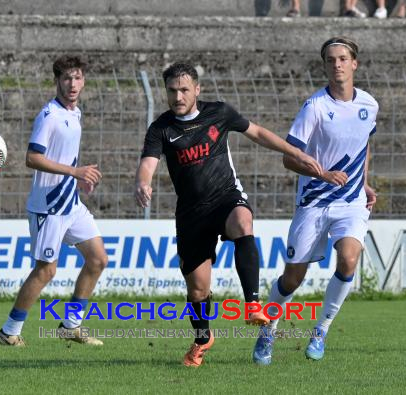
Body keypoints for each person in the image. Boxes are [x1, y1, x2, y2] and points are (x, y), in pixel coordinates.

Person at [134, 62, 323, 367]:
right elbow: (148, 163)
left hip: (226, 197)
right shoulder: (161, 128)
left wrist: (296, 153)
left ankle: (252, 303)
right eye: (172, 90)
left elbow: (258, 133)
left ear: (197, 89)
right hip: (192, 214)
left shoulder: (219, 113)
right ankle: (202, 338)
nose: (178, 96)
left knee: (242, 222)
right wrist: (143, 183)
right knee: (198, 290)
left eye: (184, 89)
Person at [253, 36, 378, 364]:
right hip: (314, 202)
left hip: (350, 203)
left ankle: (321, 329)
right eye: (330, 60)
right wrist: (322, 174)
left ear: (354, 63)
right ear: (324, 66)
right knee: (292, 277)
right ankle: (268, 331)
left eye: (342, 58)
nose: (336, 64)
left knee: (349, 260)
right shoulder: (315, 107)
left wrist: (364, 184)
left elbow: (363, 148)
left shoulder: (369, 104)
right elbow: (289, 159)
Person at [0, 55, 108, 347]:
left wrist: (78, 179)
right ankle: (9, 331)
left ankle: (70, 325)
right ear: (57, 81)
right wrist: (74, 171)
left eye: (78, 78)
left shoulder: (75, 112)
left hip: (70, 202)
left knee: (97, 260)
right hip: (48, 207)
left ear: (84, 81)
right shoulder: (49, 115)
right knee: (46, 270)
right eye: (67, 78)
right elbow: (32, 158)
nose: (73, 84)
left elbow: (63, 155)